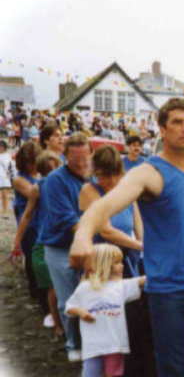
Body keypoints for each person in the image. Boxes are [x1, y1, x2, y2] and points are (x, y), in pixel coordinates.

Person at [70, 98, 184, 377]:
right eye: (177, 122)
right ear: (162, 129)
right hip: (168, 289)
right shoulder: (149, 173)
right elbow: (103, 206)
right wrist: (83, 237)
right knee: (173, 368)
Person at [41, 132, 93, 362]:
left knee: (94, 298)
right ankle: (73, 343)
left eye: (85, 158)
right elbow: (68, 221)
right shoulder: (54, 180)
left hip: (91, 244)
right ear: (64, 156)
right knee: (69, 300)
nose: (81, 164)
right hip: (61, 249)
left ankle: (93, 343)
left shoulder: (94, 176)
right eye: (75, 159)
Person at [66, 243, 146, 377]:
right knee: (90, 373)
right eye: (117, 262)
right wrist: (81, 312)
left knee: (113, 373)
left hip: (115, 343)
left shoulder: (120, 286)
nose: (122, 265)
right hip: (93, 344)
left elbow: (141, 281)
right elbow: (70, 306)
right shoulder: (85, 288)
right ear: (104, 264)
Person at [12, 151, 64, 338]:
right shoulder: (37, 188)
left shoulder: (70, 185)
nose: (53, 173)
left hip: (66, 240)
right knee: (52, 286)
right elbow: (26, 215)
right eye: (48, 170)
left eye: (56, 168)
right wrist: (17, 243)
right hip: (45, 240)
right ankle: (58, 324)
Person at [79, 145, 143, 276]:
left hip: (125, 260)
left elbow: (138, 226)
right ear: (96, 173)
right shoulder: (89, 191)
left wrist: (145, 246)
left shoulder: (128, 190)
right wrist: (139, 246)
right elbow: (106, 231)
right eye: (105, 176)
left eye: (116, 175)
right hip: (101, 264)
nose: (112, 180)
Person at [12, 141, 43, 304]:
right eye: (29, 163)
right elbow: (36, 194)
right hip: (29, 225)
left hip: (42, 222)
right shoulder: (19, 180)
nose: (32, 167)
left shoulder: (41, 175)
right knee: (32, 257)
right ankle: (35, 292)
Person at [0, 140, 13, 218]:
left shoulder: (7, 156)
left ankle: (5, 212)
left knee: (5, 195)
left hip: (4, 178)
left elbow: (10, 167)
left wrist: (11, 177)